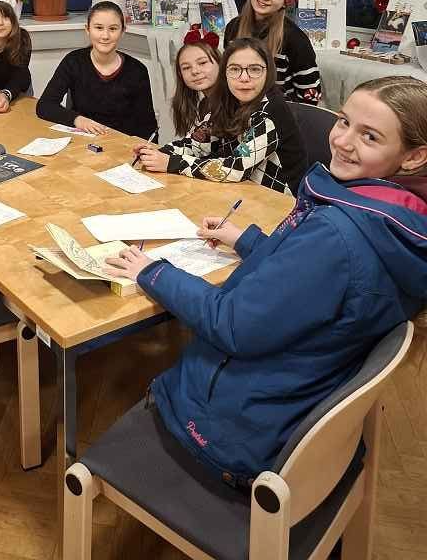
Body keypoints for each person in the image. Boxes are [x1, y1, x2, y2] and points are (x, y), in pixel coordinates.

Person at [105, 75, 427, 485]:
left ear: (414, 156)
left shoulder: (336, 235)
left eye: (370, 136)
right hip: (297, 397)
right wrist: (246, 240)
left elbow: (231, 324)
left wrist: (152, 271)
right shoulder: (396, 220)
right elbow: (316, 281)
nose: (343, 141)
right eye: (344, 121)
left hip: (236, 433)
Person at [153, 37, 307, 196]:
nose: (244, 78)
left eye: (255, 69)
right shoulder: (226, 100)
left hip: (279, 199)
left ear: (268, 72)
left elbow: (237, 167)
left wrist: (174, 163)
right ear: (224, 73)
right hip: (242, 189)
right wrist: (159, 154)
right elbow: (197, 144)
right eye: (234, 69)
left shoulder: (270, 110)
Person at [36, 1, 157, 138]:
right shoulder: (73, 61)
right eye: (99, 28)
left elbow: (148, 126)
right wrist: (77, 120)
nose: (105, 36)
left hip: (120, 143)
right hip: (82, 140)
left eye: (113, 29)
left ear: (123, 31)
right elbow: (45, 105)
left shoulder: (137, 70)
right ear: (87, 29)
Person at [225, 0, 321, 104]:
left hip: (278, 114)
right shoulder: (233, 28)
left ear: (285, 3)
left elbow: (311, 95)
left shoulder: (296, 40)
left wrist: (283, 113)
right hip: (237, 109)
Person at [136, 29, 221, 173]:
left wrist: (171, 163)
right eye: (186, 68)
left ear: (220, 63)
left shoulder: (232, 104)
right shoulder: (205, 104)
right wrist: (158, 153)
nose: (195, 71)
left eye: (202, 63)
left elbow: (229, 164)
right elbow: (195, 145)